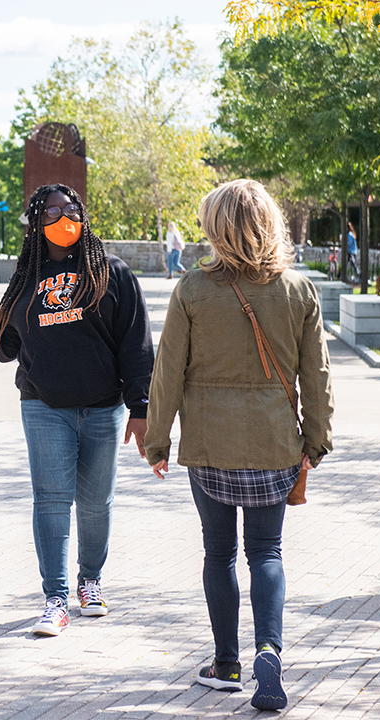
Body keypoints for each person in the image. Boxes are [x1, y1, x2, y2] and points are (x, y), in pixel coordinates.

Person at [144, 179, 333, 710]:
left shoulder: (192, 290)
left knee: (218, 552)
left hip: (208, 450)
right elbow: (316, 375)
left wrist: (157, 442)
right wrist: (315, 442)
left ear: (215, 228)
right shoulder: (298, 290)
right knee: (266, 552)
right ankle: (269, 649)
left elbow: (167, 375)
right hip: (275, 447)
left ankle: (226, 662)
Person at [0, 183, 153, 637]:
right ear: (36, 224)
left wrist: (141, 409)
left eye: (72, 208)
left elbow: (137, 345)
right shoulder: (26, 280)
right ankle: (55, 599)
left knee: (96, 504)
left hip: (104, 409)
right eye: (54, 211)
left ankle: (90, 582)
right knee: (52, 502)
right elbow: (3, 346)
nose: (65, 217)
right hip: (44, 408)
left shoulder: (112, 273)